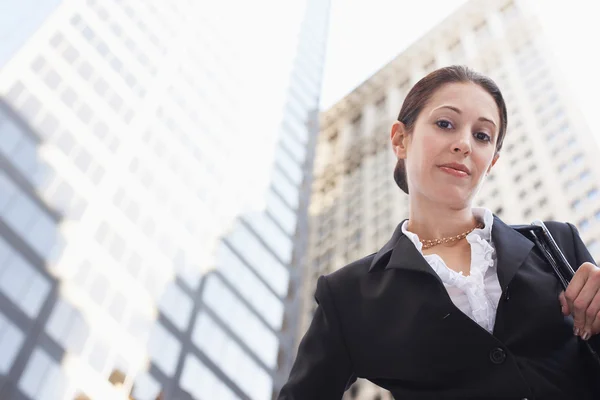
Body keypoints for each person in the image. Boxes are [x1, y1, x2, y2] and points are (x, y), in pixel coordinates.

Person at [277, 65, 600, 399]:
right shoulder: (349, 295)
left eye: (482, 136)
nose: (463, 144)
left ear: (491, 162)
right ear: (401, 139)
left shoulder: (557, 244)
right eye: (445, 124)